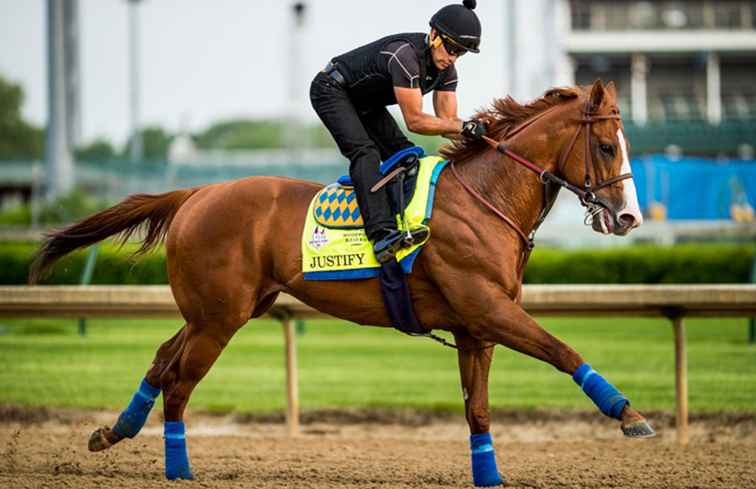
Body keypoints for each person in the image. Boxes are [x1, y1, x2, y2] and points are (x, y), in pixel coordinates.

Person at [310, 0, 487, 263]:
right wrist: (462, 127)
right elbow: (415, 121)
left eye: (460, 53)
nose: (452, 58)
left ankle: (401, 221)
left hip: (365, 103)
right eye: (451, 48)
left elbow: (448, 124)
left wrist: (483, 136)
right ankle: (381, 235)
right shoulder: (405, 56)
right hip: (331, 90)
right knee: (365, 153)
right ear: (434, 35)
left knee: (407, 156)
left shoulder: (447, 72)